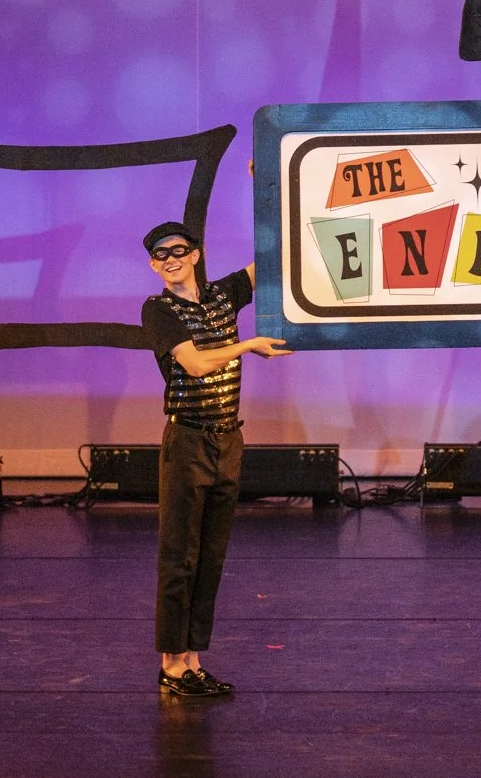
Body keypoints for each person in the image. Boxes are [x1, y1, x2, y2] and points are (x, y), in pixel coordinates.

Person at [140, 221, 292, 698]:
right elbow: (198, 363)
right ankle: (171, 663)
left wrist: (266, 180)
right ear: (152, 265)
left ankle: (193, 661)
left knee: (210, 557)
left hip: (228, 441)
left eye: (179, 251)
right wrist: (247, 345)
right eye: (160, 255)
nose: (170, 260)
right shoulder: (159, 309)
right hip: (187, 442)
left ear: (196, 254)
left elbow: (278, 256)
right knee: (178, 557)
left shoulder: (223, 295)